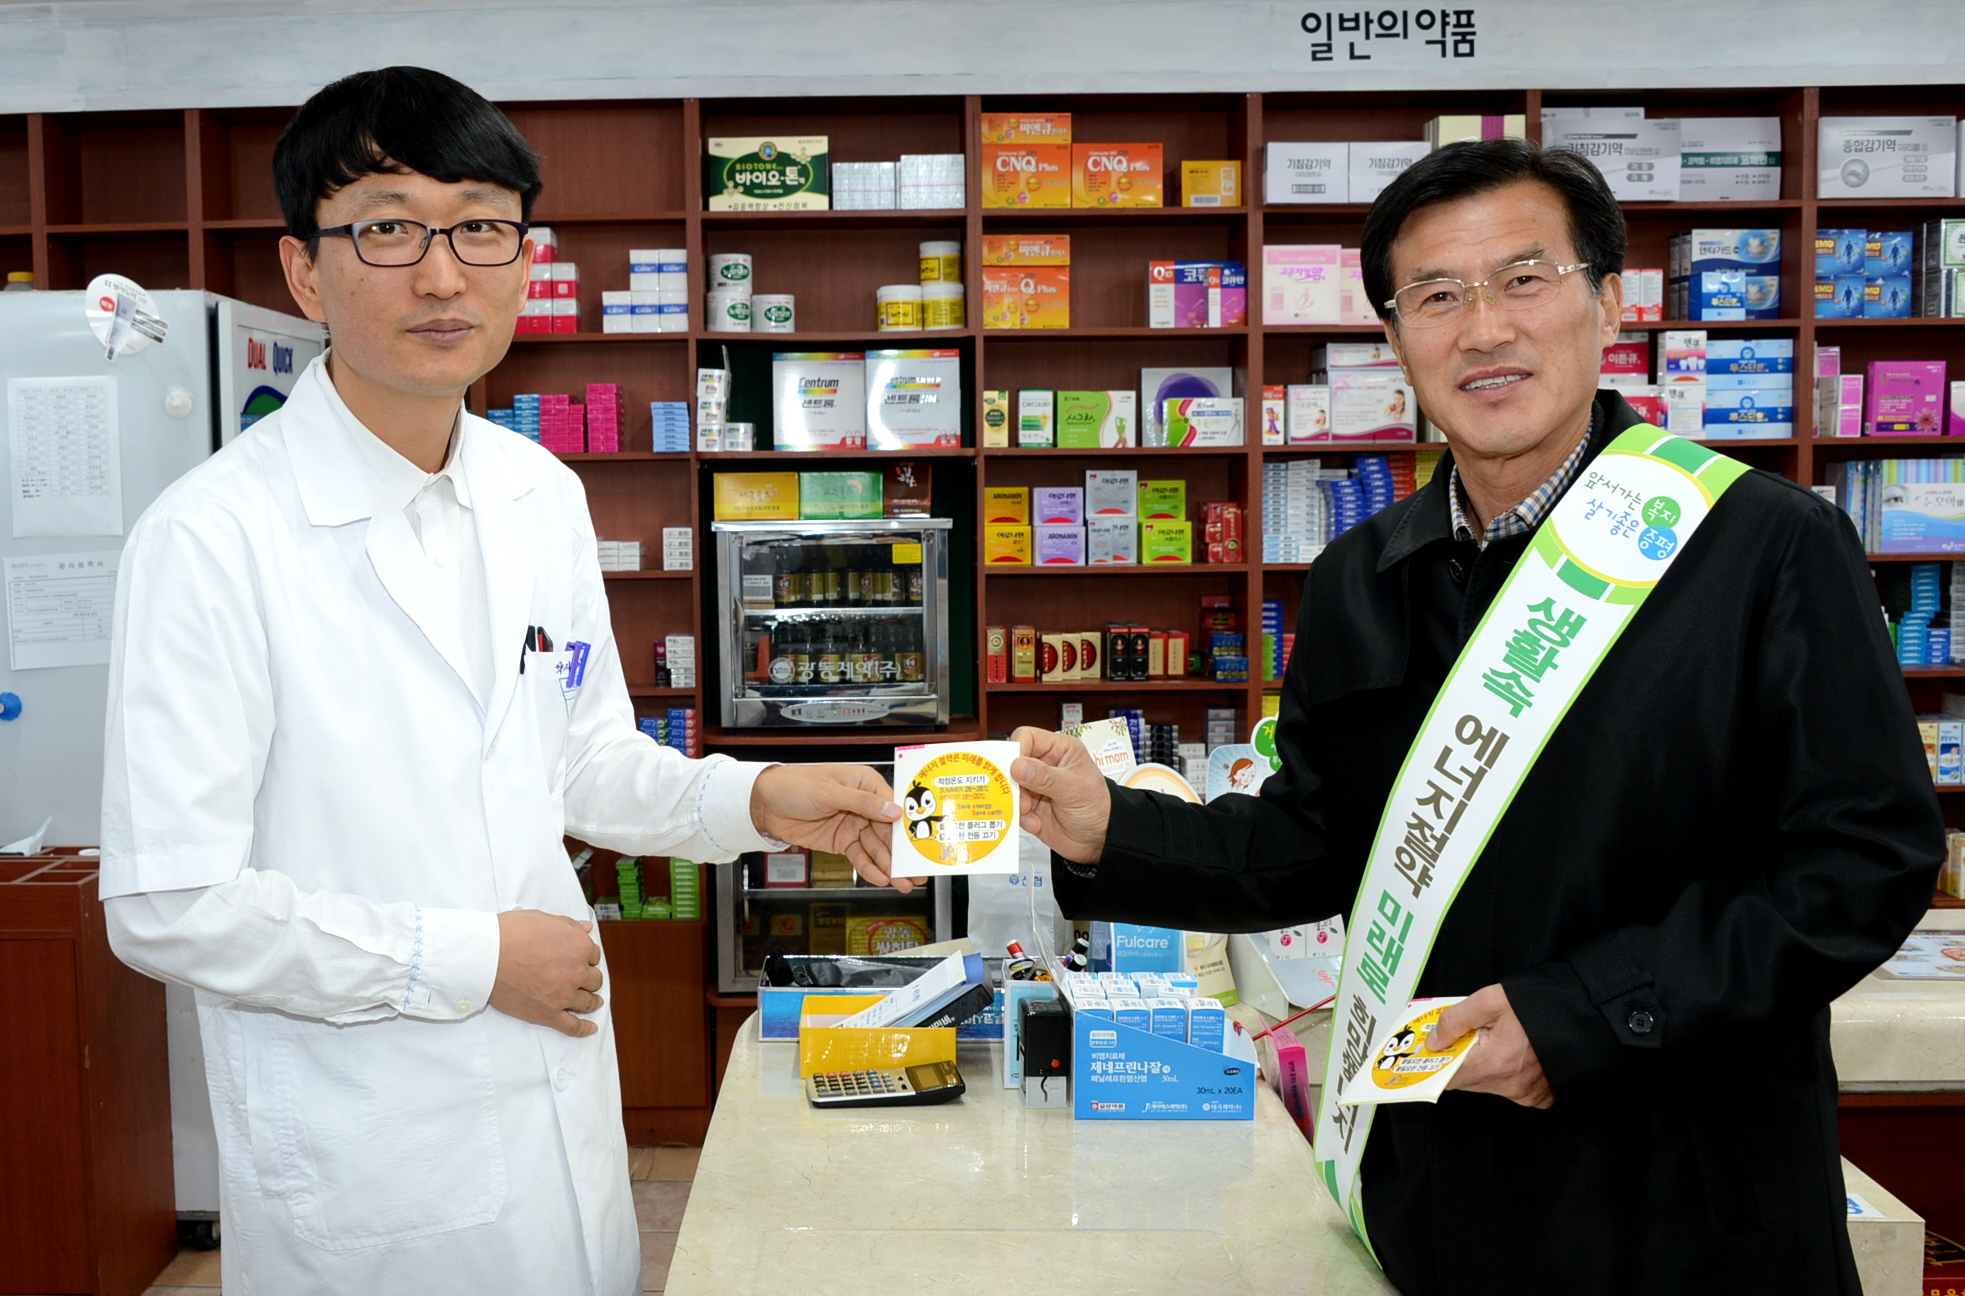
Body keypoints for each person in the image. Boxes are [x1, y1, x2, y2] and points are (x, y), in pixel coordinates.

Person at [1001, 141, 1942, 1294]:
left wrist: (1583, 1016)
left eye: (1524, 279)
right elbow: (1313, 840)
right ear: (1396, 341)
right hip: (1443, 1201)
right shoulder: (1361, 576)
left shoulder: (1764, 545)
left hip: (1690, 1208)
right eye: (1437, 296)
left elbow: (1864, 860)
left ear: (1610, 303)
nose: (1485, 328)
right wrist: (1112, 827)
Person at [99, 67, 900, 1296]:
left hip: (554, 1113)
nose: (442, 275)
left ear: (524, 258)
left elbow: (582, 761)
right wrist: (469, 962)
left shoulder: (541, 496)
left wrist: (753, 800)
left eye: (480, 226)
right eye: (388, 227)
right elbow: (168, 901)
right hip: (367, 1152)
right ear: (305, 271)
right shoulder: (211, 539)